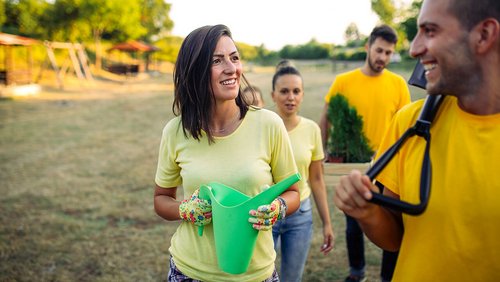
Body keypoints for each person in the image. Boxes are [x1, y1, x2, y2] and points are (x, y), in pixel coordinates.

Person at [333, 0, 500, 281]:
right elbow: (393, 238)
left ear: (483, 35)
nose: (414, 48)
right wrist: (368, 212)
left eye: (430, 31)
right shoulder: (410, 123)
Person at [153, 24, 301, 282]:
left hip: (256, 275)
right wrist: (185, 209)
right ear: (196, 70)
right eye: (217, 61)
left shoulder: (268, 124)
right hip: (189, 272)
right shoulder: (175, 131)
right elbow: (161, 200)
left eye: (234, 58)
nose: (232, 68)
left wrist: (278, 208)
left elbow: (293, 193)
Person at [319, 25, 411, 282]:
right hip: (354, 164)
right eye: (379, 50)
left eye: (388, 53)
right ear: (368, 47)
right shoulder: (344, 81)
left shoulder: (398, 83)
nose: (383, 57)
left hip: (388, 166)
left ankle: (387, 277)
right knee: (353, 225)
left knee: (393, 223)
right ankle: (357, 272)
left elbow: (404, 127)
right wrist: (324, 151)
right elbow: (326, 117)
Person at [270, 65, 335, 282]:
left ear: (303, 95)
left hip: (300, 216)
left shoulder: (312, 130)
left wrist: (326, 222)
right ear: (273, 95)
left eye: (296, 91)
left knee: (292, 278)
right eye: (284, 91)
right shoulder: (264, 128)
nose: (290, 97)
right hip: (267, 213)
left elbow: (316, 178)